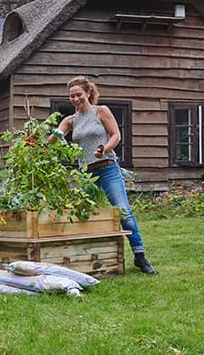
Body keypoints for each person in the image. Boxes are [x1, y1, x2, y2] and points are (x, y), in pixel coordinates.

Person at [48, 76, 156, 275]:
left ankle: (140, 256)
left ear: (88, 93)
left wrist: (104, 149)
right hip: (86, 175)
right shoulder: (70, 120)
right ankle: (87, 257)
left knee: (123, 211)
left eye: (78, 94)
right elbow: (54, 139)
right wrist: (41, 137)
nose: (75, 99)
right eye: (71, 96)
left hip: (107, 169)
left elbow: (116, 135)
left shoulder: (101, 111)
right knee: (82, 213)